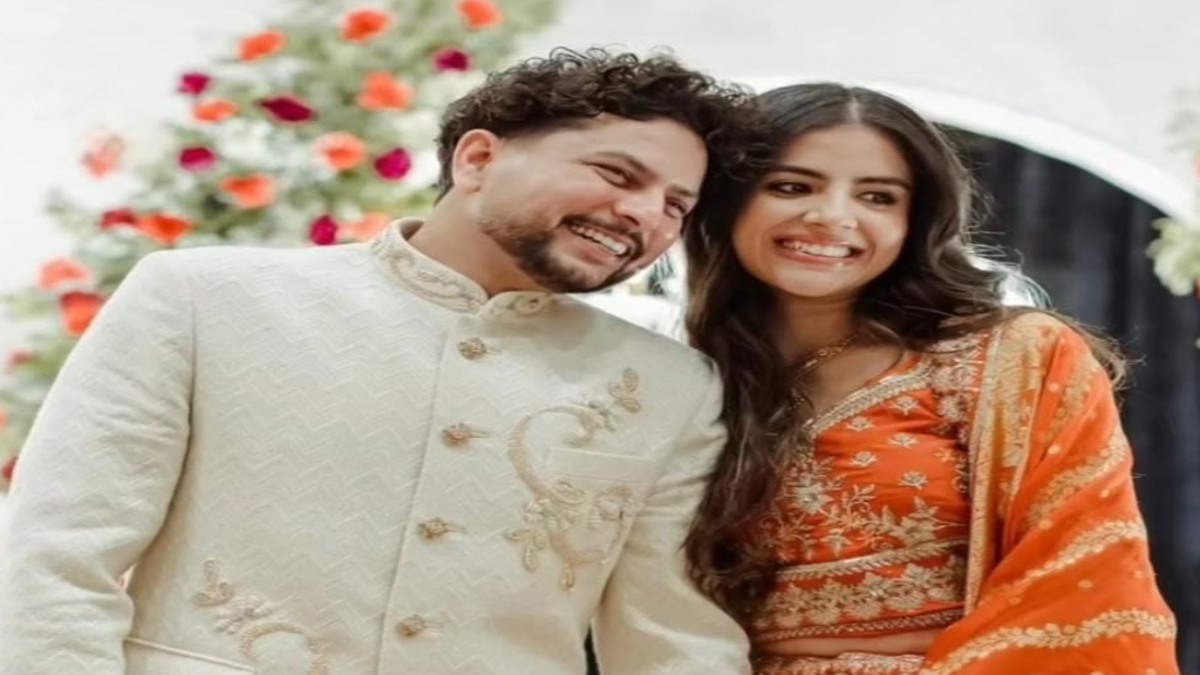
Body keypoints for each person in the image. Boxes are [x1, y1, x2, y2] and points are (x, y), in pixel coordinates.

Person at [0, 48, 767, 675]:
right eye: (617, 174)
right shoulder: (204, 298)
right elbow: (56, 561)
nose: (644, 214)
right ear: (477, 158)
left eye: (676, 205)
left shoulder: (670, 386)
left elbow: (674, 639)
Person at [682, 82, 1178, 674]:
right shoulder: (682, 384)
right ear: (726, 200)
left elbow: (1081, 579)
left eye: (878, 197)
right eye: (792, 186)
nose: (833, 216)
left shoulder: (1011, 357)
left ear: (914, 221)